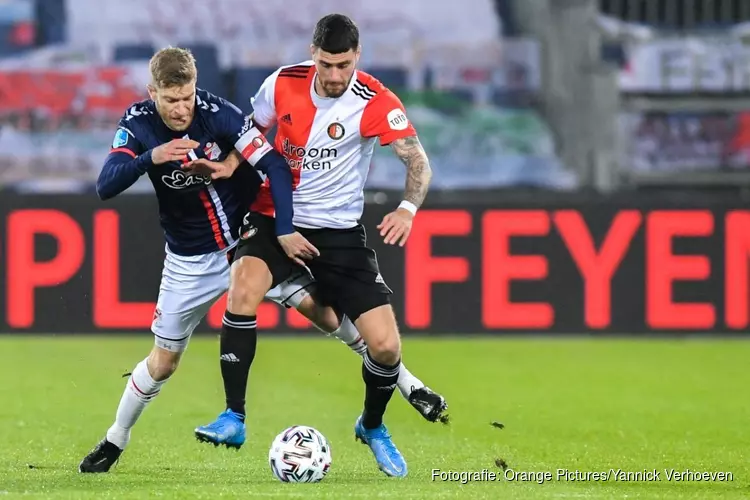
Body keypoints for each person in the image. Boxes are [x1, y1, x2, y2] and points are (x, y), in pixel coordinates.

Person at [79, 46, 444, 474]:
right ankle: (114, 440)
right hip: (189, 260)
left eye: (187, 97)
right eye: (171, 99)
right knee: (164, 361)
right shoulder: (138, 124)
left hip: (246, 239)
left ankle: (405, 383)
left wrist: (284, 227)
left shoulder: (218, 114)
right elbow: (105, 184)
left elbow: (272, 162)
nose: (181, 109)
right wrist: (150, 158)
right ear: (152, 92)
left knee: (326, 314)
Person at [189, 13, 434, 478]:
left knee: (384, 348)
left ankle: (372, 425)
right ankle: (233, 417)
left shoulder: (376, 101)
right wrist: (226, 164)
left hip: (339, 234)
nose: (336, 75)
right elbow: (251, 133)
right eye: (327, 64)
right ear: (312, 55)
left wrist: (407, 209)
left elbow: (417, 160)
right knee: (242, 291)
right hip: (274, 219)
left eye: (344, 65)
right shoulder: (281, 84)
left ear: (357, 57)